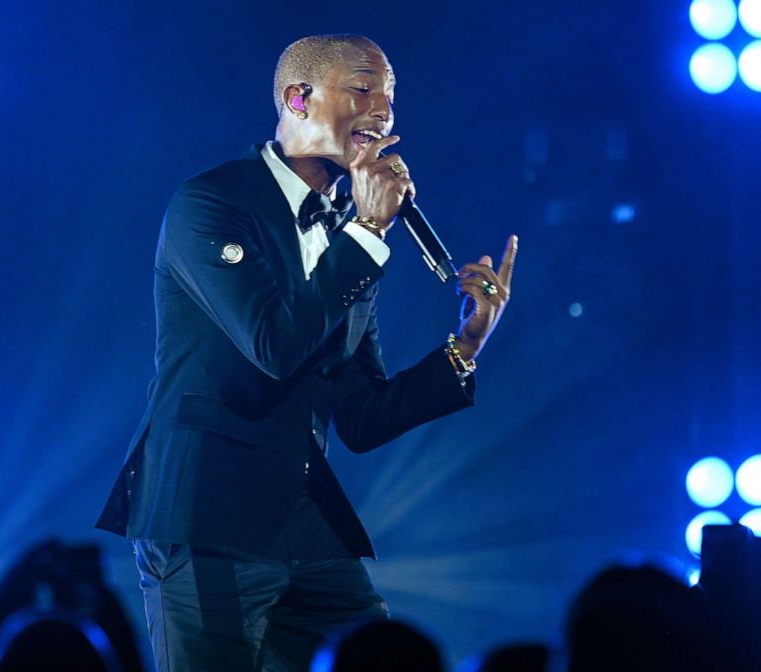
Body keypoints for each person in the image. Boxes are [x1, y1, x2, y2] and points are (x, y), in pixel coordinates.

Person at [96, 34, 517, 672]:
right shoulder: (213, 204)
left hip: (302, 513)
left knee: (378, 658)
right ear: (298, 98)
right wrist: (369, 232)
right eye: (363, 89)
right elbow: (272, 344)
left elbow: (361, 415)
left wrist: (466, 343)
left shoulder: (346, 231)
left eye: (391, 96)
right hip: (207, 510)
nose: (384, 112)